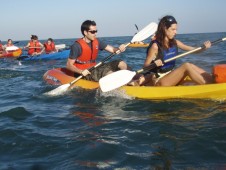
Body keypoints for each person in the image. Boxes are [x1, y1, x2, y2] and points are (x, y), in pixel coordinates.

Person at [133, 15, 213, 86]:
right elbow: (145, 66)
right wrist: (154, 64)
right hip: (159, 80)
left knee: (190, 65)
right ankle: (208, 86)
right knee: (186, 66)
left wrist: (203, 47)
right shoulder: (155, 46)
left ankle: (211, 80)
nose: (176, 32)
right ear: (165, 29)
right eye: (173, 29)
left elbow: (192, 50)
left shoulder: (176, 42)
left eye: (176, 29)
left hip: (170, 74)